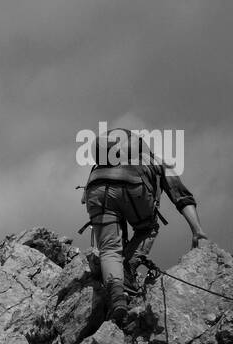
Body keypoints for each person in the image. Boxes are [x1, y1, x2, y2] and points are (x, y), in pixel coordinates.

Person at [82, 127, 207, 327]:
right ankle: (128, 267)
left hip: (96, 189)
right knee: (148, 227)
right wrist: (197, 230)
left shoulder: (99, 166)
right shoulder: (155, 160)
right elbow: (181, 197)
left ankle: (117, 296)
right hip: (134, 186)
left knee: (109, 249)